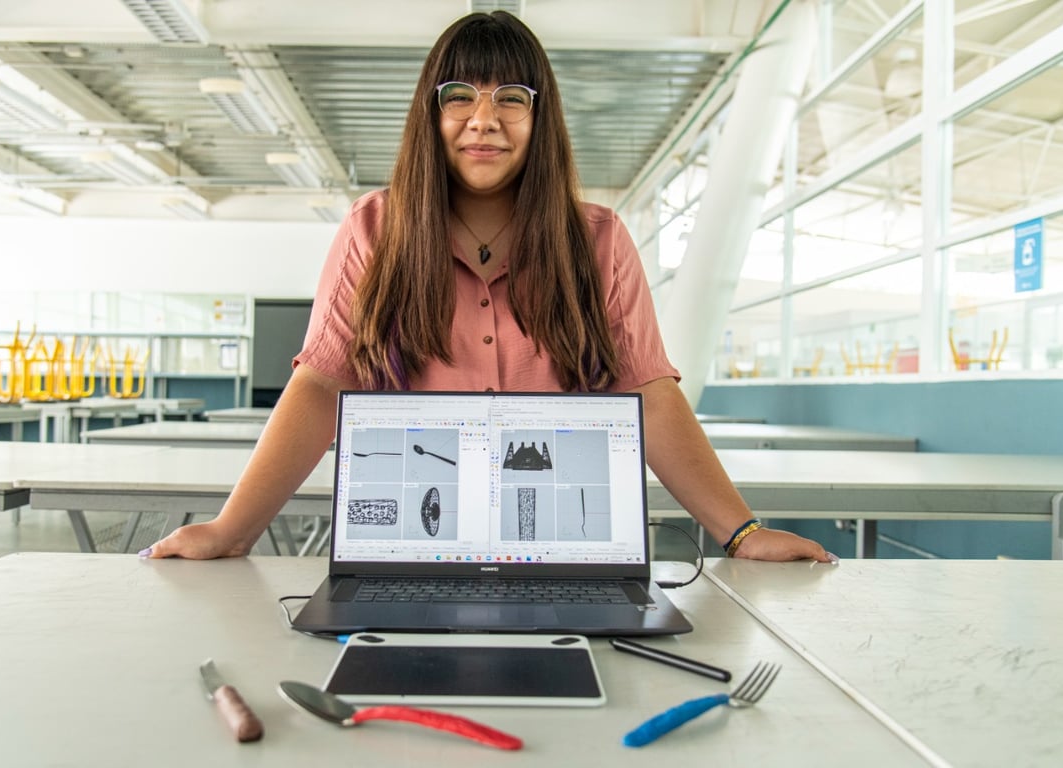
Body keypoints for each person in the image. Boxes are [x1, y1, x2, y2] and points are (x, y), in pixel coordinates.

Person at [143, 10, 835, 564]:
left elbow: (648, 394)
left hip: (564, 548)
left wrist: (741, 534)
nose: (484, 119)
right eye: (459, 97)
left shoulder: (598, 242)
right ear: (430, 112)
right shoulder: (375, 232)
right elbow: (323, 384)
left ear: (540, 119)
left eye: (511, 98)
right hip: (414, 545)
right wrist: (234, 529)